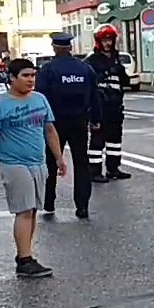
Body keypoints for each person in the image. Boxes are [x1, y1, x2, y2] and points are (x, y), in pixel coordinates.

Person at [0, 58, 68, 279]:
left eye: (33, 75)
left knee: (33, 209)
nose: (30, 80)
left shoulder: (40, 99)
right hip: (14, 164)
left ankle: (25, 254)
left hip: (38, 162)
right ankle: (25, 260)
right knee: (24, 211)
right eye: (25, 76)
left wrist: (58, 158)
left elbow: (50, 130)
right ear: (12, 78)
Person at [35, 33, 101, 219]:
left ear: (54, 47)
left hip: (54, 123)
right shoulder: (84, 68)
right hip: (79, 121)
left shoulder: (48, 70)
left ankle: (48, 202)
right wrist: (96, 119)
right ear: (70, 48)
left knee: (50, 161)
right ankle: (82, 206)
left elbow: (40, 97)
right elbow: (95, 95)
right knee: (82, 163)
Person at [86, 25, 131, 182]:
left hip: (115, 105)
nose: (108, 43)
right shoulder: (92, 60)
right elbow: (90, 82)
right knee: (98, 139)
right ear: (99, 41)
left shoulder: (117, 58)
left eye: (110, 40)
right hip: (100, 105)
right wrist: (106, 72)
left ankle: (113, 168)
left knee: (115, 139)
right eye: (105, 40)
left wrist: (119, 70)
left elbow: (125, 81)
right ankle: (94, 171)